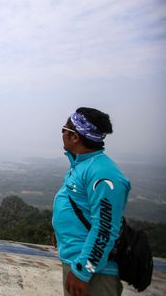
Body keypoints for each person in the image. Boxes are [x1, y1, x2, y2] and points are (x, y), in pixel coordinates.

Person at [52, 107, 131, 296]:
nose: (62, 133)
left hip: (94, 273)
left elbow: (105, 228)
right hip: (77, 262)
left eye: (64, 129)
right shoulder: (82, 165)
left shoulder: (103, 173)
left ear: (75, 137)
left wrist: (82, 271)